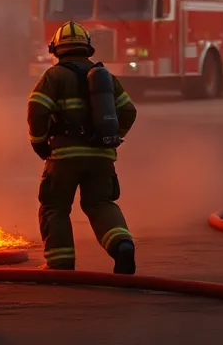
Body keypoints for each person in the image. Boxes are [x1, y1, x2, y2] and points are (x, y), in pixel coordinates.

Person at [27, 20, 138, 274]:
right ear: (88, 48)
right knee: (101, 204)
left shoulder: (54, 76)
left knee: (55, 206)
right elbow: (128, 111)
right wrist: (112, 136)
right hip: (101, 157)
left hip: (65, 156)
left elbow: (37, 109)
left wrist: (39, 143)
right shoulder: (106, 77)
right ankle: (122, 244)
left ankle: (60, 263)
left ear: (56, 49)